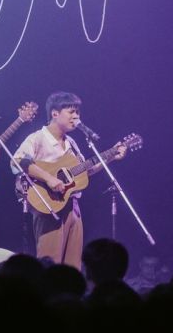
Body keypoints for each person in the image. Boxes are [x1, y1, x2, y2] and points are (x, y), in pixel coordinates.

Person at [11, 91, 126, 269]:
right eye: (71, 111)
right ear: (55, 113)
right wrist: (49, 178)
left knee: (73, 266)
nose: (76, 116)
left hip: (73, 207)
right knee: (50, 265)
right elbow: (17, 161)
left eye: (78, 112)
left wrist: (111, 156)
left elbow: (85, 171)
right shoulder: (38, 138)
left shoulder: (71, 142)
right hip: (49, 207)